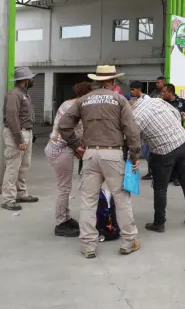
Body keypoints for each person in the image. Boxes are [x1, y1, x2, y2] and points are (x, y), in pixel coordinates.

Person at [58, 65, 142, 259]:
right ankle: (129, 241)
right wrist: (134, 156)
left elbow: (64, 125)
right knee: (121, 199)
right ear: (113, 82)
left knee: (89, 201)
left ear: (97, 81)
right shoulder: (120, 100)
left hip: (89, 154)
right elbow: (131, 130)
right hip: (112, 154)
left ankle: (88, 245)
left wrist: (75, 145)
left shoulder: (83, 100)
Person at [130, 97, 185, 233]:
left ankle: (159, 223)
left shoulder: (135, 116)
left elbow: (135, 140)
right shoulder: (155, 101)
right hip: (182, 141)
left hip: (163, 150)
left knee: (160, 187)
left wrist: (133, 157)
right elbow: (176, 113)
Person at [45, 82, 93, 237]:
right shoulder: (77, 108)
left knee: (64, 187)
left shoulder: (68, 103)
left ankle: (66, 217)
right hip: (61, 150)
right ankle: (60, 223)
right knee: (64, 188)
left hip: (56, 148)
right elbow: (76, 131)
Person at [1, 67, 39, 211]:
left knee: (24, 166)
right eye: (31, 78)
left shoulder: (23, 94)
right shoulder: (14, 95)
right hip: (17, 134)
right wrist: (19, 139)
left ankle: (21, 193)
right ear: (25, 80)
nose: (33, 80)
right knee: (13, 167)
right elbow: (11, 117)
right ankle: (8, 199)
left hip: (25, 132)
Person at [129, 81, 152, 180]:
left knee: (147, 152)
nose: (132, 92)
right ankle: (151, 171)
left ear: (139, 89)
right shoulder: (135, 99)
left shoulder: (146, 99)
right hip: (141, 130)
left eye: (133, 89)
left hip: (148, 129)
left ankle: (152, 172)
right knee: (146, 152)